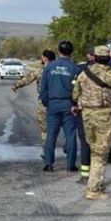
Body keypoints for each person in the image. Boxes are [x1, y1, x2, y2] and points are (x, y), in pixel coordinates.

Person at [73, 45, 111, 200]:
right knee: (101, 154)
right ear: (108, 58)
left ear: (94, 57)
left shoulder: (84, 74)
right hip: (104, 117)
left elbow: (75, 94)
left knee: (93, 150)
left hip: (87, 117)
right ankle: (93, 189)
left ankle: (97, 182)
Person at [39, 41, 81, 172]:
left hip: (53, 104)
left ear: (58, 52)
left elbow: (43, 88)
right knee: (70, 135)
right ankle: (70, 164)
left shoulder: (50, 67)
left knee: (51, 134)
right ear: (71, 52)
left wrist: (47, 103)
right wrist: (75, 104)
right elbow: (78, 89)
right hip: (69, 104)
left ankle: (48, 163)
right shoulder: (75, 68)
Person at [12, 49, 56, 148]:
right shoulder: (58, 70)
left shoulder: (40, 71)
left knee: (45, 128)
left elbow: (27, 79)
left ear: (45, 58)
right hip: (60, 101)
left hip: (44, 102)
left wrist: (16, 86)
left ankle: (47, 148)